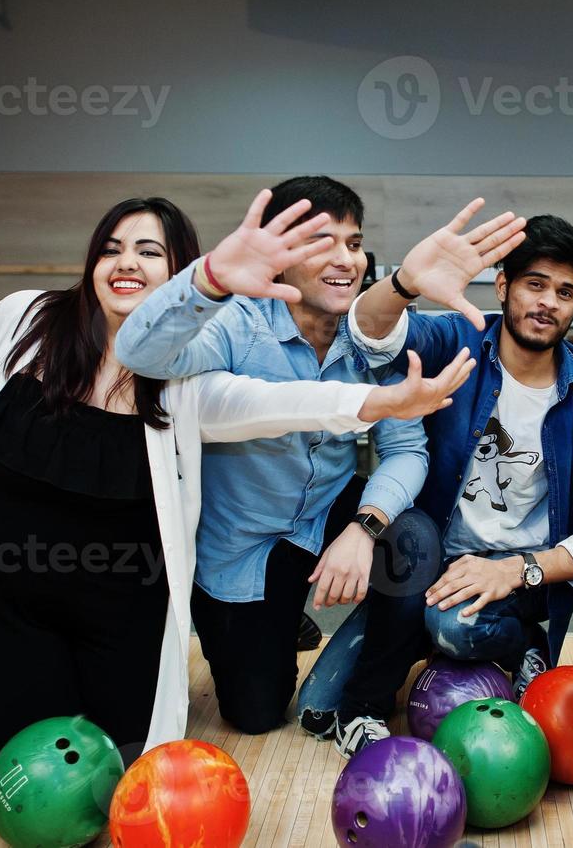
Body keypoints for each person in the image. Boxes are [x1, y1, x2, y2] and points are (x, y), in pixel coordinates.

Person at [0, 194, 470, 765]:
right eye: (112, 248)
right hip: (3, 597)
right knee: (46, 761)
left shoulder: (183, 383)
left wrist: (381, 404)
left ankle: (313, 650)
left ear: (178, 279)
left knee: (123, 756)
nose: (126, 263)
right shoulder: (19, 320)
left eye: (150, 253)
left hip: (120, 600)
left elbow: (280, 402)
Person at [298, 203, 573, 757]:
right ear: (503, 286)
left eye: (565, 292)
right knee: (316, 710)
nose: (548, 303)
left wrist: (517, 570)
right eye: (535, 284)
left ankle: (522, 640)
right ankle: (403, 644)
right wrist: (406, 283)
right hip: (428, 561)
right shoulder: (459, 340)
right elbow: (367, 335)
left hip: (520, 579)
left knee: (453, 628)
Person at [113, 177, 446, 738]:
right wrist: (210, 279)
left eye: (355, 243)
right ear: (283, 257)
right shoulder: (237, 322)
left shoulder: (373, 336)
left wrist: (365, 528)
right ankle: (280, 614)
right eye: (324, 244)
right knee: (255, 715)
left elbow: (407, 449)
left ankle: (362, 700)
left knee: (411, 537)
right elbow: (141, 353)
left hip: (326, 511)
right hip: (242, 538)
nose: (346, 261)